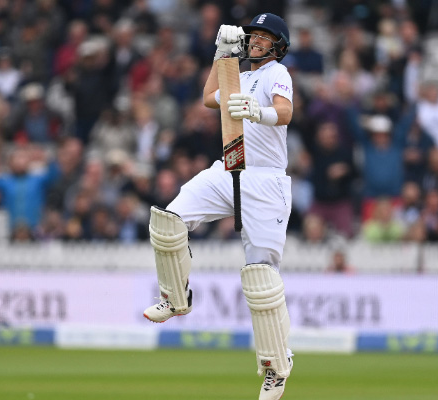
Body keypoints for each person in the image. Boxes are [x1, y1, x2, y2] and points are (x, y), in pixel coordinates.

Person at [142, 13, 294, 400]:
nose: (256, 42)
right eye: (252, 36)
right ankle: (177, 297)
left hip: (266, 179)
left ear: (277, 45)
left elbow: (286, 112)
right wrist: (221, 54)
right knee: (167, 221)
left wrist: (258, 113)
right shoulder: (238, 76)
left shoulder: (279, 73)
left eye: (263, 37)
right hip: (228, 166)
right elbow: (210, 98)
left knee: (261, 277)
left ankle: (276, 367)